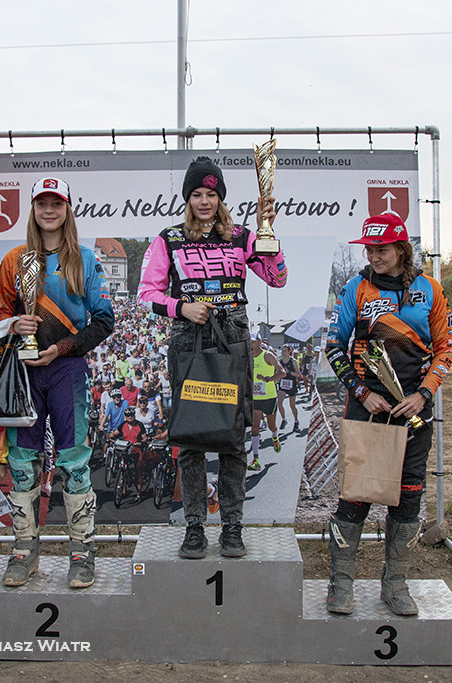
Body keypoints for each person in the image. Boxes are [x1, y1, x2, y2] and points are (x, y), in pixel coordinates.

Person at [138, 156, 287, 559]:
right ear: (188, 198)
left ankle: (233, 527)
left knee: (232, 435)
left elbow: (277, 277)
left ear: (221, 197)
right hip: (188, 339)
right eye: (197, 194)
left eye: (212, 193)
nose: (205, 201)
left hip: (233, 335)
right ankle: (193, 527)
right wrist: (180, 308)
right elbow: (147, 294)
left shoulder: (242, 237)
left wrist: (269, 232)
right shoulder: (167, 238)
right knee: (190, 436)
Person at [323, 213, 452, 616]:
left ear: (401, 249)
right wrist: (362, 393)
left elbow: (447, 349)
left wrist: (424, 393)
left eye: (381, 249)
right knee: (355, 497)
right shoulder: (355, 289)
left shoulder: (430, 289)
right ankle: (340, 583)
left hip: (413, 410)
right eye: (369, 249)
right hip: (369, 409)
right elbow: (333, 347)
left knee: (408, 499)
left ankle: (395, 583)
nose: (374, 256)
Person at [0, 177, 115, 590]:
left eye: (56, 203)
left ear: (67, 209)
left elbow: (104, 321)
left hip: (67, 370)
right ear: (33, 208)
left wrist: (61, 348)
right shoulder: (13, 260)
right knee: (23, 465)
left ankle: (82, 552)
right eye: (42, 203)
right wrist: (13, 325)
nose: (49, 210)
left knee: (74, 462)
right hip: (23, 373)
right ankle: (24, 550)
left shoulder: (84, 259)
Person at [249, 333, 286, 471]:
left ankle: (275, 437)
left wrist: (267, 379)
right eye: (249, 342)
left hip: (269, 397)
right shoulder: (247, 357)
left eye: (252, 342)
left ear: (259, 342)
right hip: (255, 398)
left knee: (271, 426)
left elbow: (282, 373)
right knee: (254, 427)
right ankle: (256, 459)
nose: (250, 344)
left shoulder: (268, 356)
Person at [276, 344, 303, 432]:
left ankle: (296, 421)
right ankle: (284, 419)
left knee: (292, 405)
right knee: (279, 402)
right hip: (283, 384)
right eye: (282, 351)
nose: (283, 353)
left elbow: (298, 375)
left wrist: (289, 372)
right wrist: (276, 378)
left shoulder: (293, 361)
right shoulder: (279, 361)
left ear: (289, 351)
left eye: (285, 351)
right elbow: (277, 372)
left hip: (291, 384)